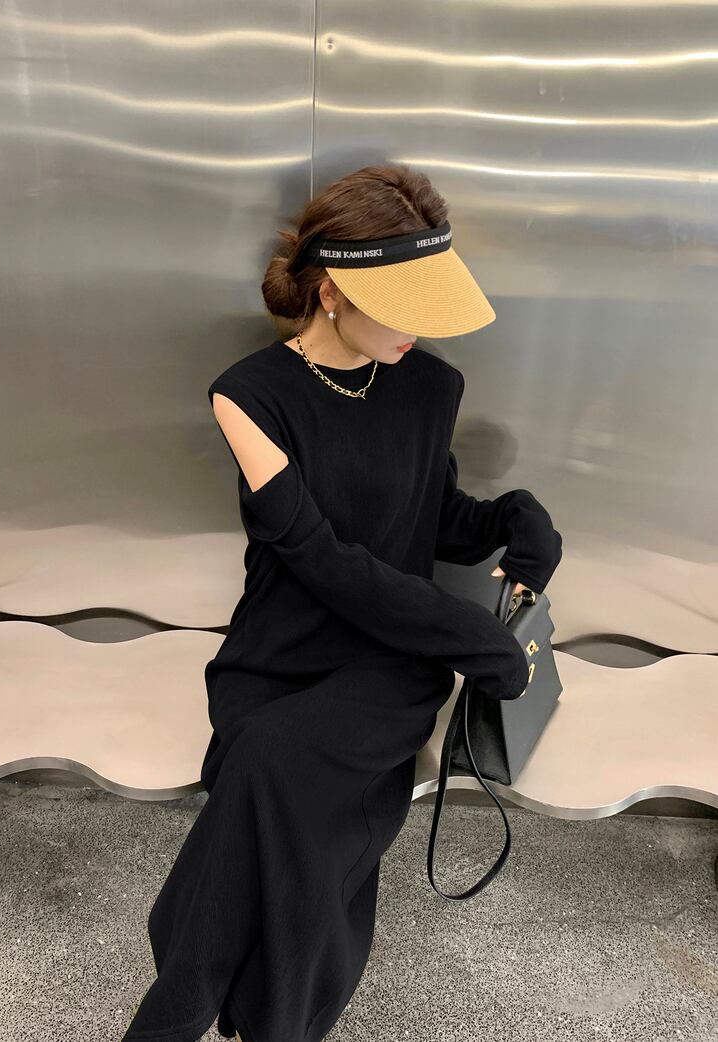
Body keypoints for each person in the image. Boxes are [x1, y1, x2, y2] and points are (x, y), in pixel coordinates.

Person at [120, 162, 562, 1042]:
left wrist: (518, 519)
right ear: (330, 292)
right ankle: (275, 1021)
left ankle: (175, 1017)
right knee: (281, 801)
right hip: (277, 653)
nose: (418, 331)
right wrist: (472, 637)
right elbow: (321, 560)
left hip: (388, 664)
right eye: (403, 307)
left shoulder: (430, 386)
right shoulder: (248, 396)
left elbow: (432, 515)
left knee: (269, 775)